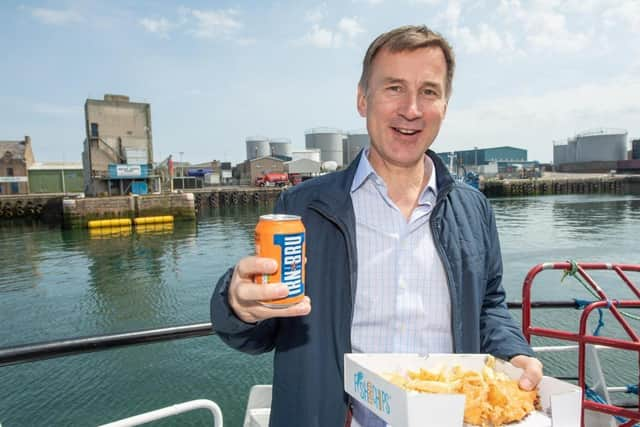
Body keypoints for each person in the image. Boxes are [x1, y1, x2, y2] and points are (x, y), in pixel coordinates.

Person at [211, 25, 543, 427]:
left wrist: (514, 352)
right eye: (394, 88)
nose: (412, 109)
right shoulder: (303, 207)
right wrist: (238, 305)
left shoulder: (473, 209)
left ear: (445, 104)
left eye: (429, 91)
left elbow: (489, 306)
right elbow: (258, 332)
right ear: (362, 98)